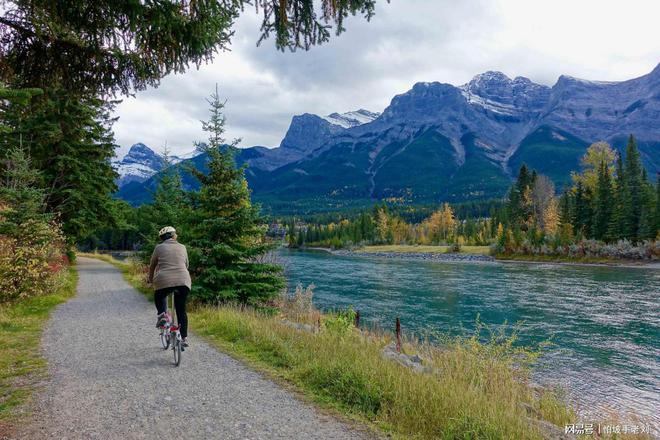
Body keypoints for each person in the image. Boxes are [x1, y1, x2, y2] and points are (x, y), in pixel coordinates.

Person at [148, 226, 192, 347]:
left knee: (159, 294)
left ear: (162, 238)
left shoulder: (159, 247)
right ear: (174, 236)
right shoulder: (183, 247)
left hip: (164, 280)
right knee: (181, 310)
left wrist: (150, 280)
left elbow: (152, 265)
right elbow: (186, 264)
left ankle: (162, 315)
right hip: (183, 280)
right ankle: (184, 338)